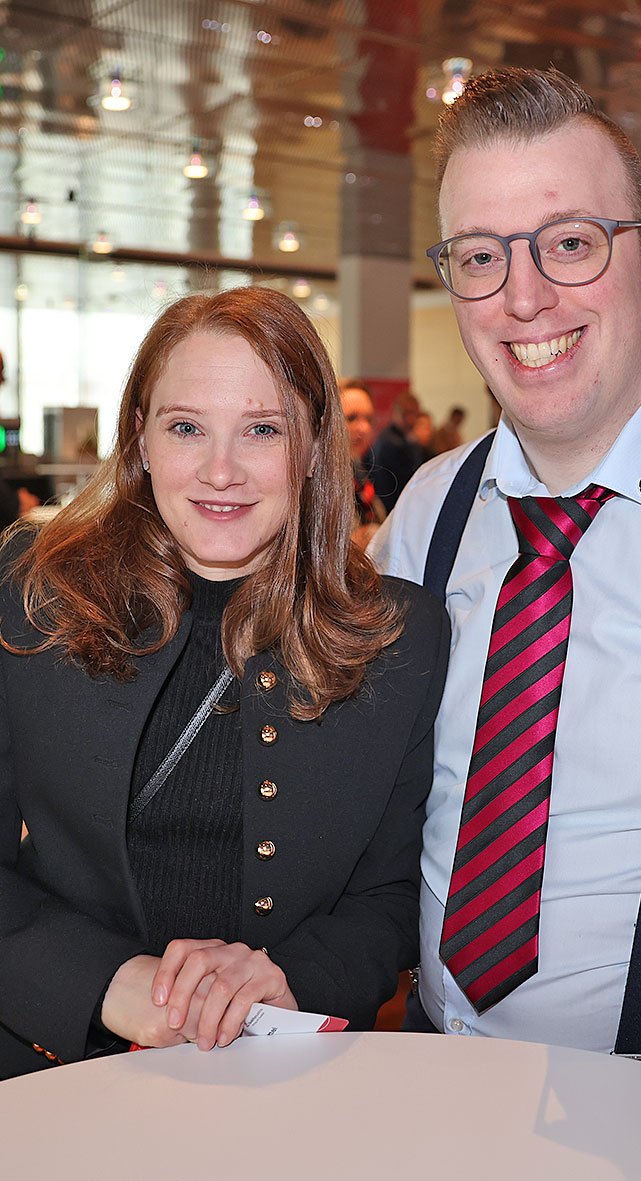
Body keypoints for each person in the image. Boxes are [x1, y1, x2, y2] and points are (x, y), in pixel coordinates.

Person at [369, 66, 641, 1099]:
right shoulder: (429, 511)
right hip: (432, 1080)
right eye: (480, 255)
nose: (522, 298)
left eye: (567, 243)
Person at [0, 286, 449, 1080]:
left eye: (262, 429)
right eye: (186, 427)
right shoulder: (32, 596)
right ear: (140, 436)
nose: (220, 470)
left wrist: (290, 977)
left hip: (284, 1079)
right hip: (55, 1069)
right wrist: (102, 981)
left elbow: (391, 893)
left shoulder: (398, 635)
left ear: (312, 444)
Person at [339, 378, 386, 549]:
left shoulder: (358, 472)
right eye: (351, 418)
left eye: (369, 419)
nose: (364, 428)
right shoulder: (313, 481)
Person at [370, 390, 423, 512]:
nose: (410, 419)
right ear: (395, 413)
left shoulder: (405, 438)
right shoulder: (391, 443)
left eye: (414, 414)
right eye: (406, 413)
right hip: (391, 508)